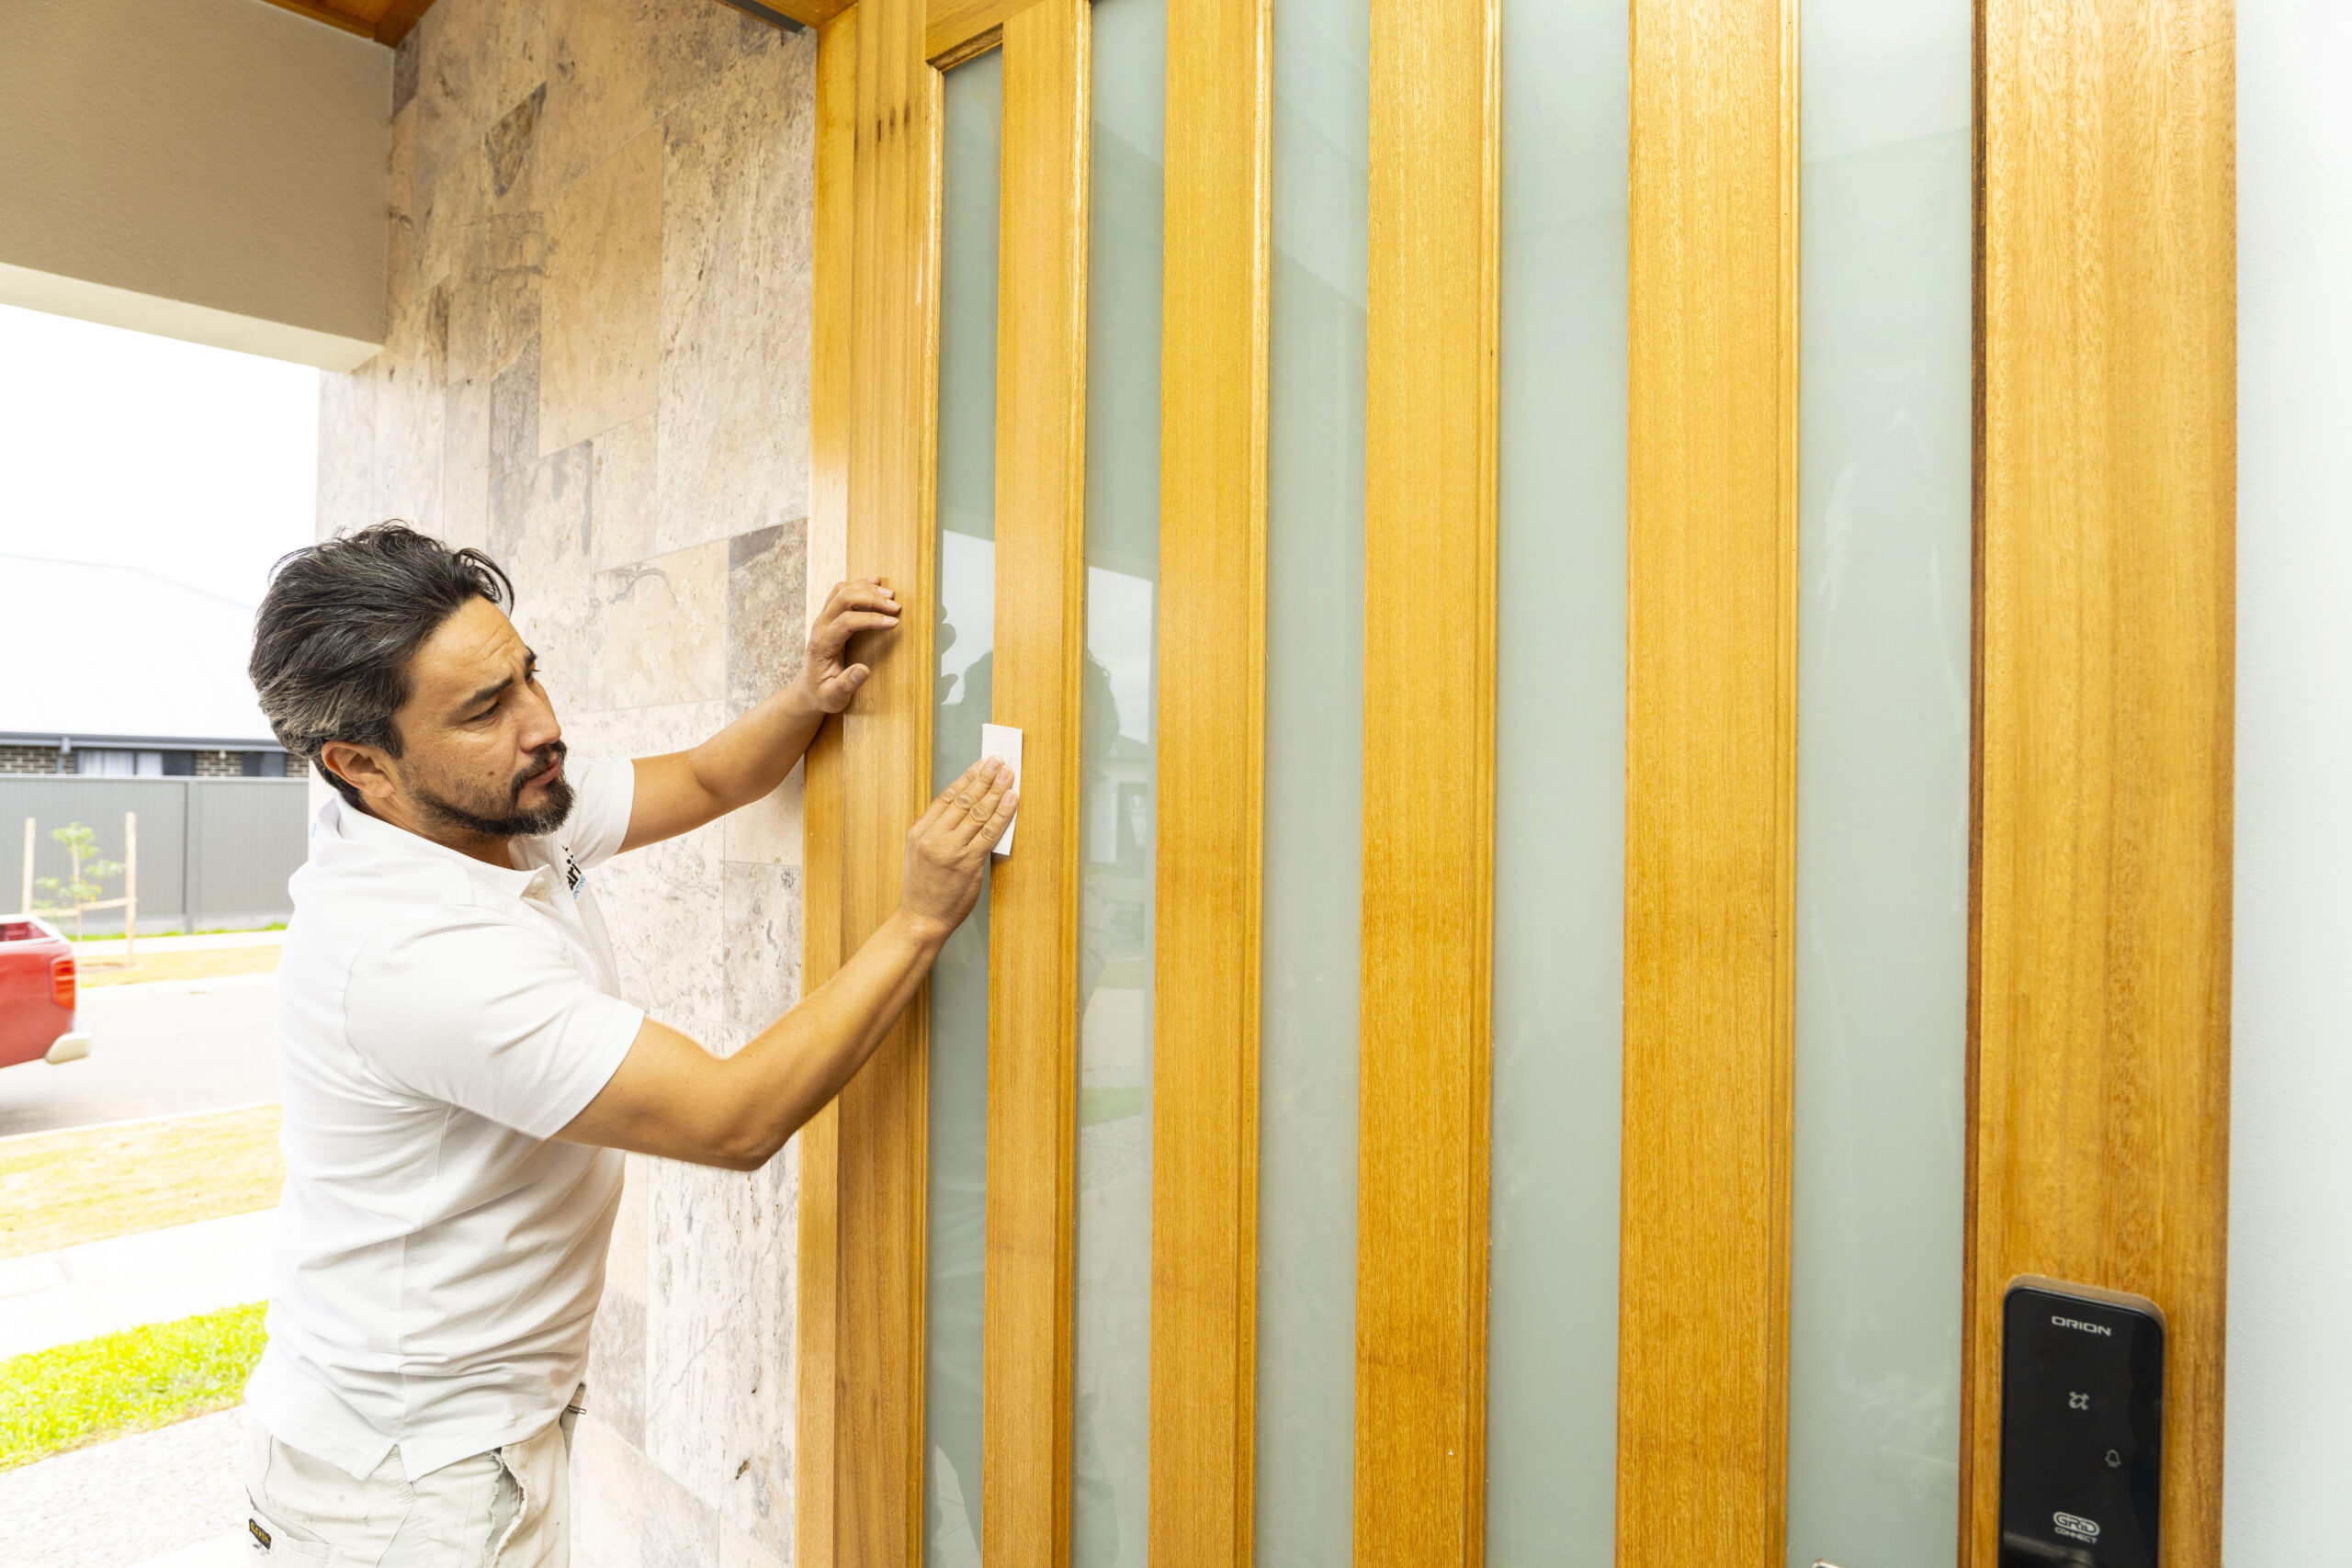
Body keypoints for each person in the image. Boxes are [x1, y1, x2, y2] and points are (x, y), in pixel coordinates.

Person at [237, 523, 1012, 1563]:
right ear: (360, 764)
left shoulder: (484, 802)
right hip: (404, 1486)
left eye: (527, 675)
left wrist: (806, 695)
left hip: (451, 1440)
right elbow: (734, 1120)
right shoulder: (413, 954)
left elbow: (698, 781)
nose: (540, 725)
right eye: (485, 709)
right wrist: (918, 920)